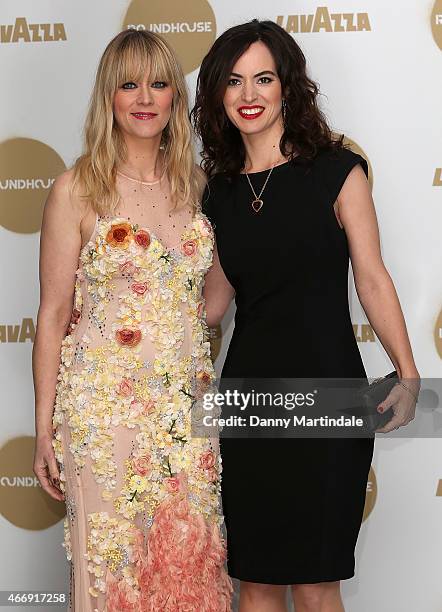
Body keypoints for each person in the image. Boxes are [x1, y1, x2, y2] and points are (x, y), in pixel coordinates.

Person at [191, 19, 420, 612]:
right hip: (248, 402)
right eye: (235, 81)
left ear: (287, 87)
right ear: (218, 93)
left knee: (318, 583)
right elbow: (211, 306)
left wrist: (408, 371)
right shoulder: (216, 194)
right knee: (257, 580)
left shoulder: (337, 170)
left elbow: (371, 276)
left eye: (263, 79)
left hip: (329, 393)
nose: (249, 95)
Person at [32, 29, 232, 612]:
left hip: (186, 407)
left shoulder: (199, 190)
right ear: (109, 97)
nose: (144, 97)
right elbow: (49, 317)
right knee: (115, 569)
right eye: (128, 84)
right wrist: (43, 429)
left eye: (159, 83)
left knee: (187, 567)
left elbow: (212, 302)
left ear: (175, 96)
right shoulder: (77, 189)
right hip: (103, 412)